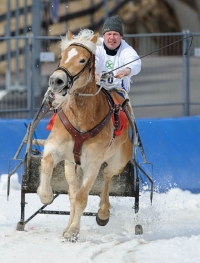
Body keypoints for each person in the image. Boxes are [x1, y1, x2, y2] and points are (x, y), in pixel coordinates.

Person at [95, 15, 141, 93]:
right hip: (96, 89)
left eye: (115, 34)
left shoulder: (127, 49)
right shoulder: (96, 46)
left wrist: (126, 71)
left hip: (117, 90)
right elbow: (92, 59)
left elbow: (135, 62)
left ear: (121, 36)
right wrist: (94, 75)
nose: (112, 38)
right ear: (103, 36)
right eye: (109, 34)